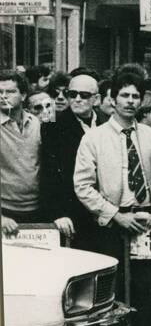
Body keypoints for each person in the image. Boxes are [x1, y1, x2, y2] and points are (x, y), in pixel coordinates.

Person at [73, 70, 151, 326]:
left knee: (148, 285)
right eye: (124, 95)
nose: (130, 101)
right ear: (112, 100)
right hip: (111, 223)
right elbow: (82, 186)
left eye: (135, 96)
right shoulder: (94, 138)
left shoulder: (150, 137)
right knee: (112, 290)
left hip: (143, 222)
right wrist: (115, 214)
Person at [38, 68, 107, 248]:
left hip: (106, 210)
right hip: (74, 213)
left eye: (84, 95)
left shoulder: (107, 122)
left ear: (96, 99)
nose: (77, 99)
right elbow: (49, 172)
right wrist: (57, 212)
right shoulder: (53, 127)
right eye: (72, 94)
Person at [1, 70, 45, 234]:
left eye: (10, 91)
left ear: (24, 95)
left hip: (37, 209)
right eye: (0, 92)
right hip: (6, 212)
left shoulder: (36, 123)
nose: (3, 96)